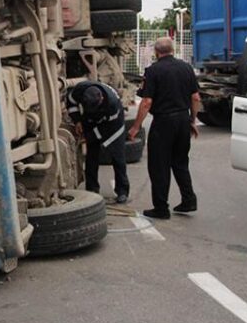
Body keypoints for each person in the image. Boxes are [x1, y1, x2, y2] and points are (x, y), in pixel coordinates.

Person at [128, 37, 200, 219]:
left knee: (159, 165)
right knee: (181, 162)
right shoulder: (186, 68)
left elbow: (146, 102)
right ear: (173, 50)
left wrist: (136, 127)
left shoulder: (153, 71)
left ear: (156, 52)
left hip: (163, 122)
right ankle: (189, 199)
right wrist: (192, 120)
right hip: (183, 120)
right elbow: (196, 98)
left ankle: (161, 208)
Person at [67, 80, 129, 204]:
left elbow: (106, 129)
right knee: (91, 155)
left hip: (112, 124)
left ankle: (122, 191)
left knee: (118, 157)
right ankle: (92, 189)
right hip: (91, 119)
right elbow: (71, 102)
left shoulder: (111, 104)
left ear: (100, 99)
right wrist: (77, 121)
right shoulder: (80, 90)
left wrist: (88, 137)